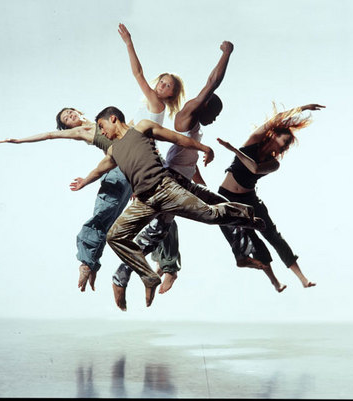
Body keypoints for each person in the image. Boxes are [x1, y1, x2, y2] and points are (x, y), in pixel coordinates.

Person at [111, 40, 267, 304]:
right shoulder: (187, 115)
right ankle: (124, 274)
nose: (215, 119)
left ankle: (243, 238)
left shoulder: (194, 126)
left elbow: (187, 163)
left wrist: (200, 181)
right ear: (204, 105)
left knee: (220, 205)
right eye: (214, 113)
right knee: (159, 230)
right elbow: (212, 83)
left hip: (182, 181)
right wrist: (226, 54)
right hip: (170, 183)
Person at [70, 106, 265, 309]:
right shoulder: (113, 150)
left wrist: (204, 148)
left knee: (210, 215)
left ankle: (245, 214)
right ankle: (149, 277)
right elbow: (99, 170)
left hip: (165, 189)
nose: (101, 132)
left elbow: (177, 139)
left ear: (113, 119)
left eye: (102, 126)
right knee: (115, 236)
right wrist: (84, 181)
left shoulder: (141, 128)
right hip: (145, 201)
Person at [0, 108, 133, 292]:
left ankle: (93, 263)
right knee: (101, 217)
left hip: (132, 174)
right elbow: (49, 135)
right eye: (66, 119)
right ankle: (88, 263)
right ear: (68, 127)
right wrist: (20, 140)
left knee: (120, 219)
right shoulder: (82, 131)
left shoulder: (102, 120)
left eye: (69, 112)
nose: (70, 116)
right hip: (117, 172)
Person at [216, 103, 325, 292]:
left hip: (250, 200)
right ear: (274, 135)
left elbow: (254, 168)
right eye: (285, 141)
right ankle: (275, 281)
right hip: (228, 197)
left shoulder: (274, 164)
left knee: (272, 235)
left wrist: (233, 149)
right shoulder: (253, 141)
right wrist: (303, 108)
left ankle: (303, 278)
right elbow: (277, 118)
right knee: (251, 239)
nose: (286, 146)